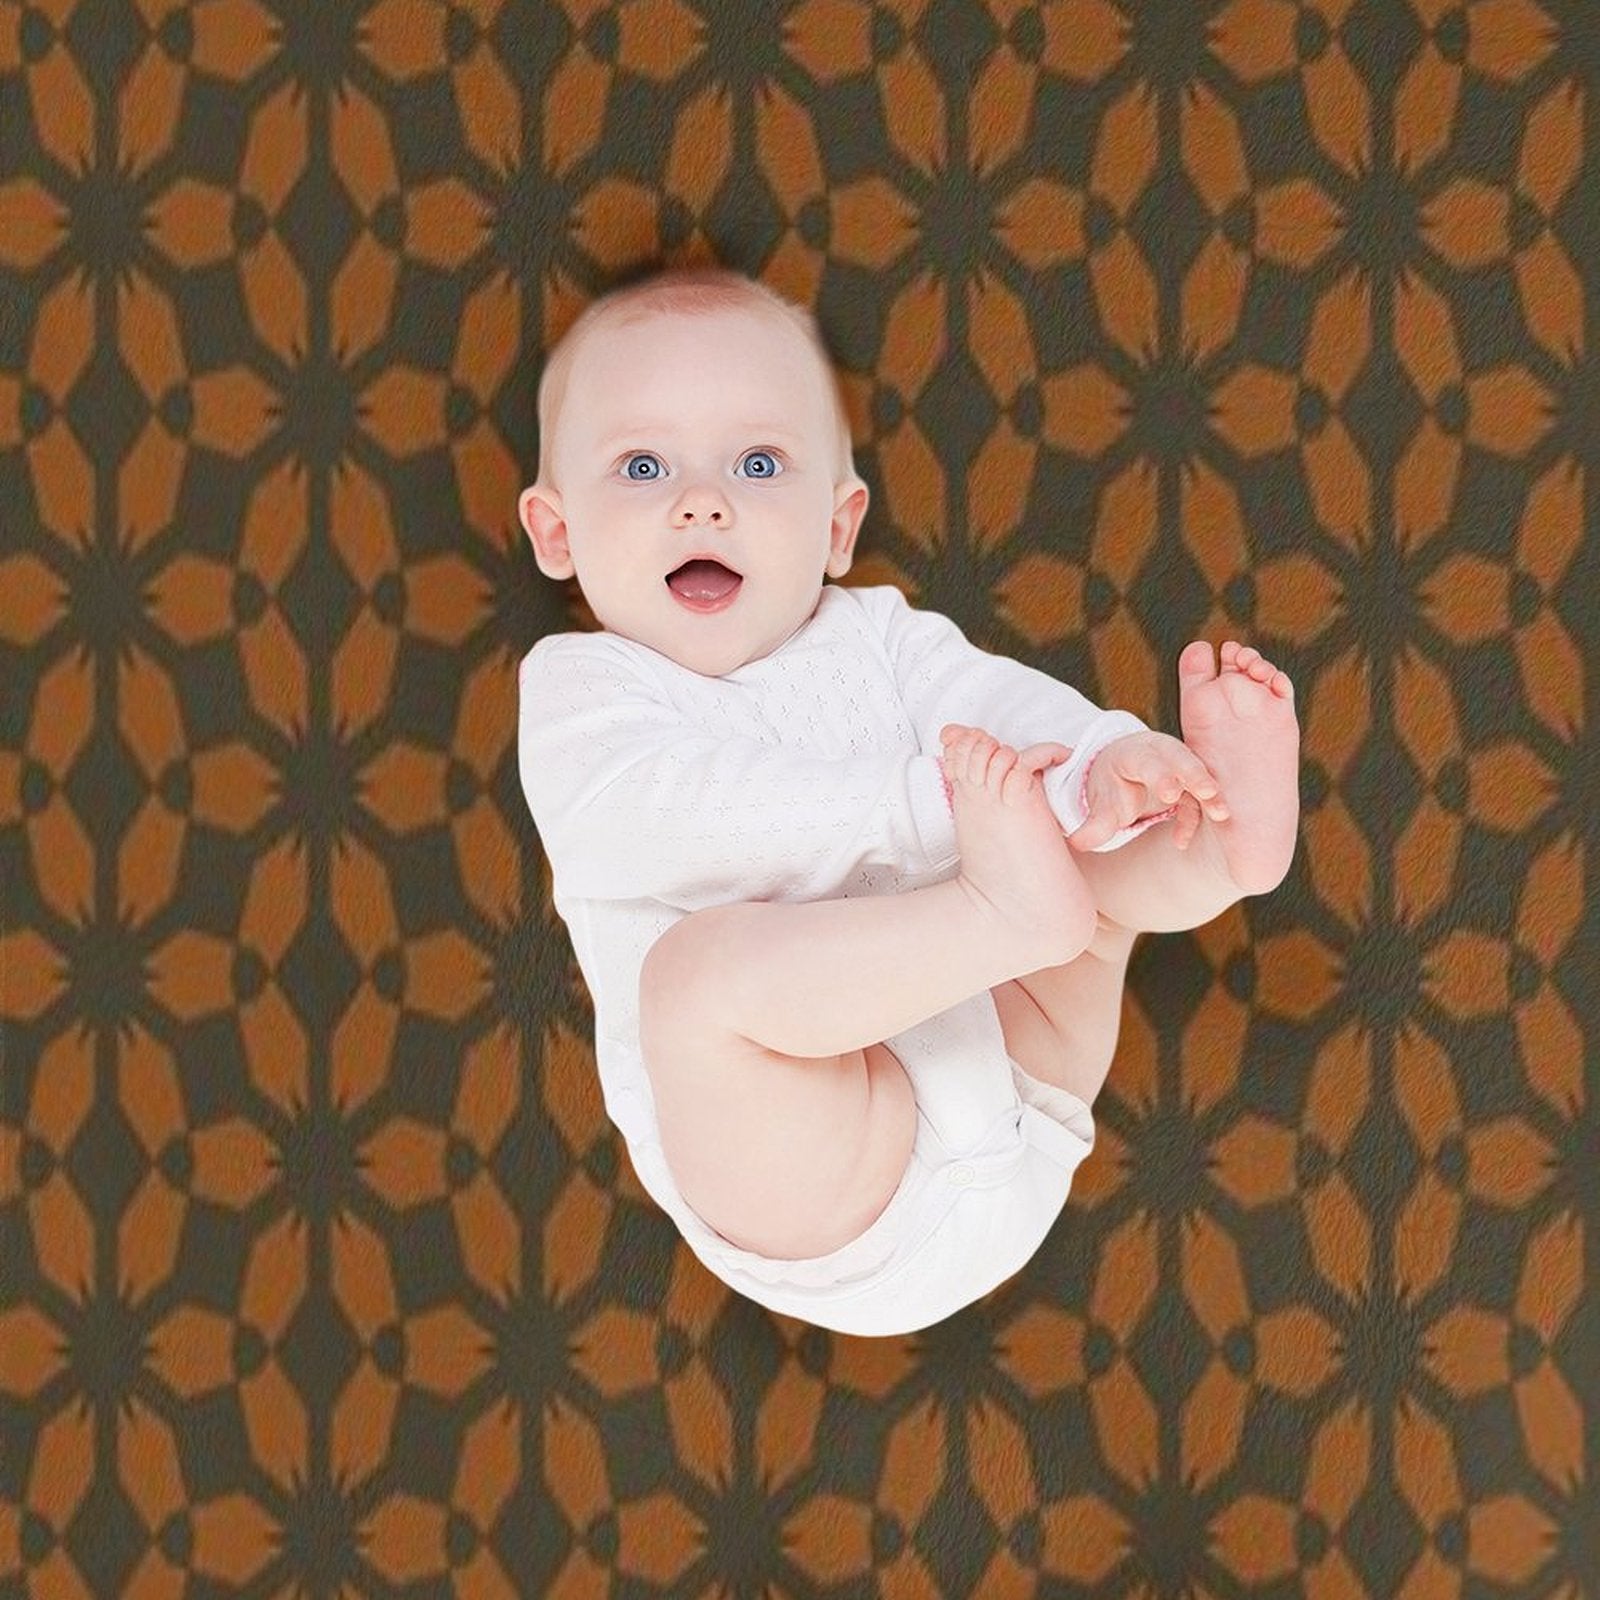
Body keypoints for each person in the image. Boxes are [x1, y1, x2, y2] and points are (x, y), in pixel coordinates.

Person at [515, 264, 1300, 1336]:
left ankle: (1213, 846)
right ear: (556, 533)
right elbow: (664, 820)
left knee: (1088, 862)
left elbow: (994, 703)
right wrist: (933, 807)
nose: (704, 500)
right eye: (642, 465)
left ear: (837, 527)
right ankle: (1010, 910)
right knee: (693, 983)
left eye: (758, 462)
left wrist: (1097, 762)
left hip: (1022, 1074)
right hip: (832, 1178)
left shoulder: (879, 635)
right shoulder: (584, 690)